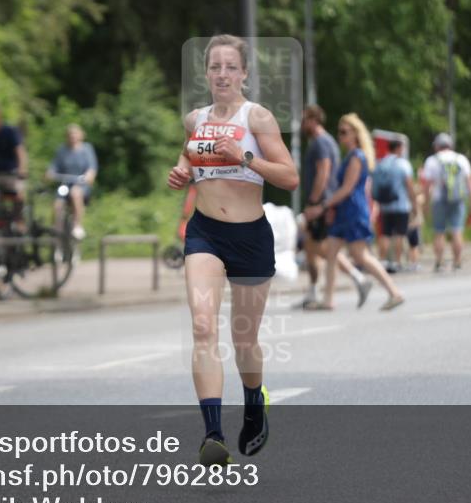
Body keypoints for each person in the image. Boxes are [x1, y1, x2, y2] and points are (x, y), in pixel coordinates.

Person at [167, 35, 298, 467]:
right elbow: (190, 155)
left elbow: (289, 176)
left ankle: (254, 402)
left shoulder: (256, 118)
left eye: (230, 67)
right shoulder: (195, 119)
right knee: (203, 327)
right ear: (206, 73)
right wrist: (182, 171)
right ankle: (212, 434)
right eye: (215, 67)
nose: (222, 74)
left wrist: (244, 157)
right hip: (204, 234)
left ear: (243, 73)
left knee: (244, 339)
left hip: (250, 237)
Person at [303, 113, 404, 311]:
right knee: (331, 253)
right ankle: (328, 300)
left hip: (353, 211)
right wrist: (331, 208)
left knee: (360, 255)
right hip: (343, 211)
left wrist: (322, 207)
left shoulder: (357, 156)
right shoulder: (350, 156)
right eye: (339, 132)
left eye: (344, 132)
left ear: (355, 134)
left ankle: (394, 292)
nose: (340, 137)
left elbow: (347, 188)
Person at [299, 104, 373, 308]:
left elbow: (324, 172)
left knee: (318, 246)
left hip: (323, 201)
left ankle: (358, 278)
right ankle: (317, 293)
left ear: (314, 120)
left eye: (304, 119)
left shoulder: (321, 143)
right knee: (315, 247)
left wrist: (315, 203)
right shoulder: (325, 142)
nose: (302, 124)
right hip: (326, 202)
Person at [422, 133, 471, 272]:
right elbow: (470, 183)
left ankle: (439, 262)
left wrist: (425, 204)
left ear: (436, 146)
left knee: (439, 232)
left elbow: (427, 185)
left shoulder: (432, 161)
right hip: (458, 199)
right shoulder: (461, 159)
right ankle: (457, 262)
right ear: (450, 145)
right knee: (457, 230)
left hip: (438, 199)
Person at [373, 139, 418, 273]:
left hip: (385, 205)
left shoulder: (381, 163)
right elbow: (409, 186)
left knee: (385, 234)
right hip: (401, 205)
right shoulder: (403, 164)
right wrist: (414, 204)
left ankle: (383, 261)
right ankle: (397, 262)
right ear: (398, 148)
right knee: (399, 234)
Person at [47, 124, 98, 241]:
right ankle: (57, 227)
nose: (72, 136)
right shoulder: (62, 150)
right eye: (70, 134)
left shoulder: (86, 149)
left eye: (75, 134)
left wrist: (89, 175)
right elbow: (54, 166)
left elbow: (92, 167)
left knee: (75, 193)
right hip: (65, 184)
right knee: (57, 203)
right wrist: (49, 173)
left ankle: (77, 225)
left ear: (81, 135)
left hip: (81, 184)